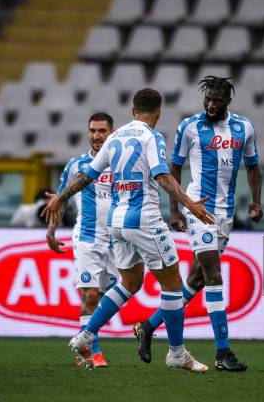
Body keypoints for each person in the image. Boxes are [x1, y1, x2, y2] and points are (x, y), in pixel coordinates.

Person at [41, 88, 215, 372]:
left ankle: (86, 335)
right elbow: (162, 175)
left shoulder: (115, 137)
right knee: (172, 284)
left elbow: (88, 176)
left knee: (130, 283)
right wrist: (189, 204)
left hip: (116, 223)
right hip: (145, 220)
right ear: (158, 112)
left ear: (133, 110)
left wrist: (62, 196)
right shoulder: (152, 136)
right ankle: (176, 352)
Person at [134, 76, 263, 372]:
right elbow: (174, 167)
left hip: (225, 213)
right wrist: (176, 210)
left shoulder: (244, 128)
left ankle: (148, 326)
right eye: (208, 99)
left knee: (196, 281)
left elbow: (253, 166)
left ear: (228, 101)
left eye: (217, 100)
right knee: (214, 274)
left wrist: (256, 201)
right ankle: (223, 352)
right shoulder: (190, 126)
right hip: (198, 208)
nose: (211, 104)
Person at [46, 112, 117, 368]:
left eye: (102, 131)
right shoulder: (76, 165)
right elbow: (60, 200)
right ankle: (91, 351)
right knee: (89, 295)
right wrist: (51, 232)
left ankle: (84, 341)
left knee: (111, 295)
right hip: (87, 238)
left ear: (112, 132)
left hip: (118, 241)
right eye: (93, 131)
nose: (97, 136)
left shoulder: (122, 164)